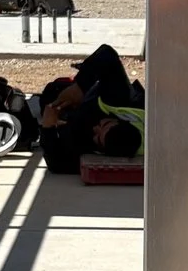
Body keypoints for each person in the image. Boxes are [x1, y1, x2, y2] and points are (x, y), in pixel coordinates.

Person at [34, 41, 144, 174]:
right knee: (52, 91)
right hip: (84, 97)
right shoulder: (121, 100)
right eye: (104, 125)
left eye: (98, 137)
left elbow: (57, 163)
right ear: (120, 120)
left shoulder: (99, 145)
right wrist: (80, 86)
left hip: (69, 114)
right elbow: (107, 55)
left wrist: (48, 128)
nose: (95, 129)